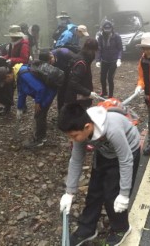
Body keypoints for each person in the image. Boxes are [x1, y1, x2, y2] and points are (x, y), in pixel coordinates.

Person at [58, 102, 140, 246]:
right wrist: (69, 192)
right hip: (104, 151)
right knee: (94, 190)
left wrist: (124, 194)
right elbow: (76, 160)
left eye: (74, 136)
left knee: (112, 195)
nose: (72, 139)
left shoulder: (112, 129)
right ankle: (87, 228)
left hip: (128, 151)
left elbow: (126, 160)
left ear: (87, 127)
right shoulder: (81, 129)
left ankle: (121, 228)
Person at [0, 54, 57, 148]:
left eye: (5, 81)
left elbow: (40, 88)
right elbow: (21, 93)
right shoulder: (18, 75)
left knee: (39, 114)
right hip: (45, 92)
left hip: (48, 91)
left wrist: (38, 102)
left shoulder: (23, 74)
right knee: (40, 114)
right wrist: (19, 108)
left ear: (8, 76)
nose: (6, 83)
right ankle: (40, 136)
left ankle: (40, 140)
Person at [0, 25, 30, 115]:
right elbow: (9, 56)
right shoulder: (11, 44)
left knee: (21, 87)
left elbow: (24, 59)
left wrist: (12, 60)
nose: (11, 36)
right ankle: (7, 106)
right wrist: (3, 57)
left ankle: (23, 106)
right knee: (8, 86)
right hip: (11, 67)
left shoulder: (24, 44)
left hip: (21, 68)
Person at [64, 38, 99, 108]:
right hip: (77, 99)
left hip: (78, 96)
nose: (95, 53)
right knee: (77, 116)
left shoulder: (82, 56)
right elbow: (73, 83)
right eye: (94, 51)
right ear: (92, 50)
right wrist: (88, 93)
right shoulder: (82, 63)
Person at [95, 20, 123, 98]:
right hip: (104, 60)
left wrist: (119, 58)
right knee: (102, 77)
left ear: (112, 28)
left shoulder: (116, 36)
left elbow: (120, 48)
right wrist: (98, 60)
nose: (107, 30)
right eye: (105, 28)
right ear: (103, 28)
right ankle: (104, 91)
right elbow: (99, 49)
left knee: (110, 78)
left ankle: (110, 95)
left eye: (109, 28)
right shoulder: (100, 37)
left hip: (113, 60)